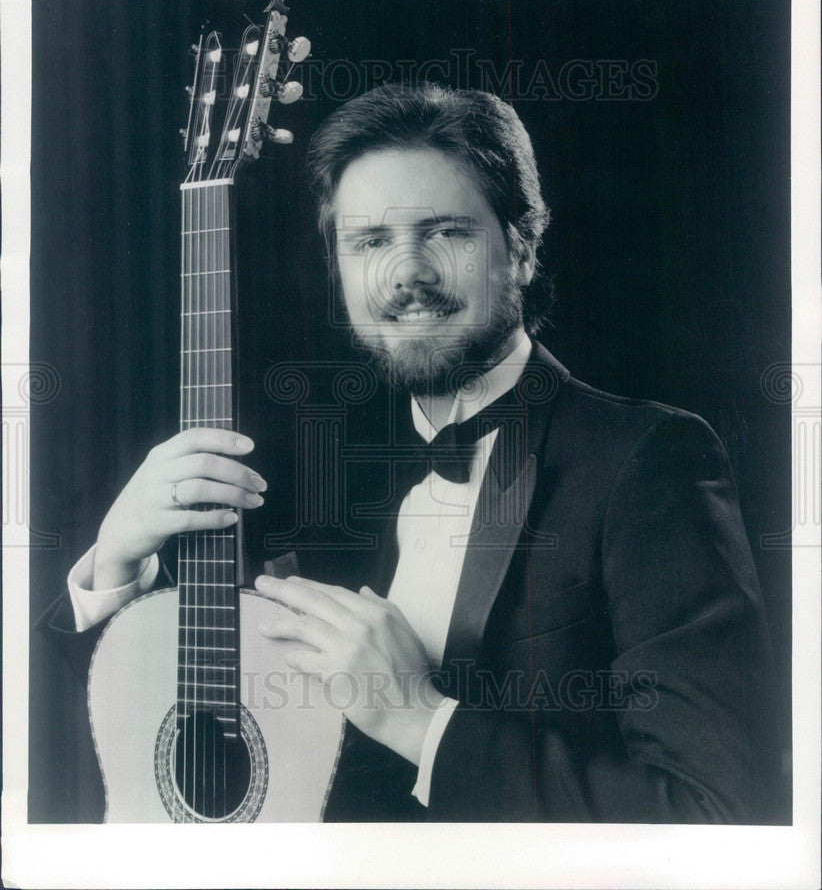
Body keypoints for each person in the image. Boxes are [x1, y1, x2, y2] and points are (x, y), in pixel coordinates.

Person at [44, 83, 780, 822]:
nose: (407, 275)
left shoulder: (648, 460)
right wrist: (114, 565)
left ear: (520, 250)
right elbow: (112, 755)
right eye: (369, 243)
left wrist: (415, 718)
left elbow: (716, 816)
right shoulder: (305, 466)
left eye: (447, 233)